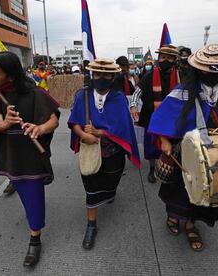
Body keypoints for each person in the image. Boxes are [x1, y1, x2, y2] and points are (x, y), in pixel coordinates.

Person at [148, 44, 218, 251]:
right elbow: (162, 117)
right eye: (208, 68)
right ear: (199, 68)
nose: (214, 72)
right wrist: (165, 141)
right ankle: (173, 216)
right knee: (181, 191)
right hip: (188, 150)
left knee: (206, 192)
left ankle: (190, 224)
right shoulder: (183, 91)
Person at [0, 51, 60, 267]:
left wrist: (40, 128)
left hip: (30, 155)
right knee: (22, 189)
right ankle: (27, 202)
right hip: (7, 153)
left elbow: (53, 120)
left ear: (11, 75)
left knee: (32, 195)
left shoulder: (33, 93)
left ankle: (35, 237)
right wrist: (4, 124)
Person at [68, 58, 140, 250]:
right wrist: (83, 134)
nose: (101, 77)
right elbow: (74, 121)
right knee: (91, 189)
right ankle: (91, 224)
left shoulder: (118, 98)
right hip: (90, 153)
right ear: (92, 74)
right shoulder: (82, 96)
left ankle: (109, 193)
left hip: (113, 154)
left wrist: (100, 132)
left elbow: (123, 126)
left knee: (111, 183)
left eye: (106, 74)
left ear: (113, 76)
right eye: (97, 73)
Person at [129, 45, 180, 183]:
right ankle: (152, 168)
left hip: (172, 118)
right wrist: (133, 105)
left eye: (169, 58)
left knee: (172, 144)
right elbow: (137, 93)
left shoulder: (179, 76)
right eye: (163, 57)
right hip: (151, 116)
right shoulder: (150, 75)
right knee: (151, 145)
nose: (166, 60)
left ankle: (167, 165)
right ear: (159, 58)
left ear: (175, 60)